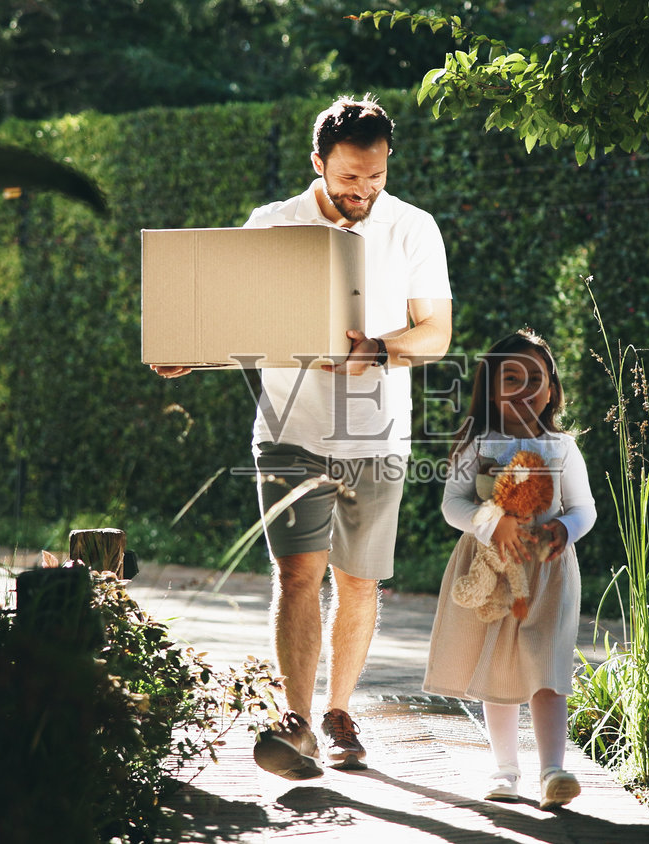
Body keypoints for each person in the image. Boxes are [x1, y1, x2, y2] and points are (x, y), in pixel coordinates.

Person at [151, 95, 451, 779]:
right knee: (296, 576)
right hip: (288, 432)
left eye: (375, 176)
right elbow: (234, 321)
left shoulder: (412, 228)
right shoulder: (272, 223)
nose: (363, 192)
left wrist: (377, 346)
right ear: (318, 164)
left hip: (378, 438)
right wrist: (188, 352)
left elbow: (435, 334)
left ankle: (340, 709)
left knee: (359, 584)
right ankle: (297, 723)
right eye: (349, 178)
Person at [422, 329, 596, 809]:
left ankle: (553, 771)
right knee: (498, 666)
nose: (523, 389)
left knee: (547, 667)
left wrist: (564, 530)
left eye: (534, 379)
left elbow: (584, 508)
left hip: (548, 574)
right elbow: (453, 505)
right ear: (490, 390)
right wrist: (489, 522)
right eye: (510, 379)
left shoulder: (562, 447)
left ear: (552, 390)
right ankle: (504, 770)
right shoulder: (479, 444)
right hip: (492, 571)